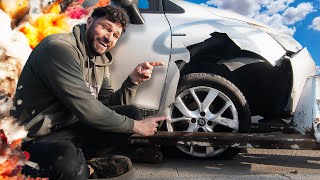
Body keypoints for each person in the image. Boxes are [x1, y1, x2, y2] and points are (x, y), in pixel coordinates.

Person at [12, 5, 168, 180]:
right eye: (105, 28)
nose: (109, 38)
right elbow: (89, 109)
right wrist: (136, 126)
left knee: (132, 113)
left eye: (116, 35)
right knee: (67, 160)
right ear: (89, 22)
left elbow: (107, 105)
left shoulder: (100, 60)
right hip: (33, 140)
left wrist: (132, 81)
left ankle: (85, 161)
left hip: (69, 130)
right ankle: (91, 170)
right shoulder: (58, 49)